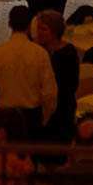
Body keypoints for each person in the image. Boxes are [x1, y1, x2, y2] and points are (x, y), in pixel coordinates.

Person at [0, 6, 57, 139]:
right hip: (31, 116)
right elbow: (49, 93)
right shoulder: (40, 53)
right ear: (30, 25)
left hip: (3, 117)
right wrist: (44, 118)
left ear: (9, 24)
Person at [35, 9, 80, 144]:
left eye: (44, 29)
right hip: (43, 108)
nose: (39, 33)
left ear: (54, 32)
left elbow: (70, 85)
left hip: (62, 109)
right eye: (38, 29)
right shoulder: (39, 51)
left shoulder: (68, 53)